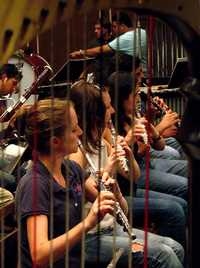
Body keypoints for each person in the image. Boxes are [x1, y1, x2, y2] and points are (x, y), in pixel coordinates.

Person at [69, 79, 185, 267]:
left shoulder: (101, 140)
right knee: (164, 254)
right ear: (94, 114)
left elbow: (134, 176)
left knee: (175, 247)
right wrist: (110, 168)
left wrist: (128, 154)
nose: (112, 111)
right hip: (90, 237)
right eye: (107, 108)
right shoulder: (77, 153)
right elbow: (97, 197)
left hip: (110, 226)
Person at [15, 98, 120, 268]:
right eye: (73, 129)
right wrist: (89, 222)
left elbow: (118, 210)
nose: (80, 132)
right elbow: (39, 256)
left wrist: (115, 192)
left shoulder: (71, 170)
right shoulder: (34, 185)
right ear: (55, 141)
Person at [107, 71, 188, 201]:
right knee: (184, 186)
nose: (139, 99)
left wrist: (154, 133)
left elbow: (160, 146)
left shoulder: (132, 114)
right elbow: (122, 161)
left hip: (145, 164)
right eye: (135, 95)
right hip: (132, 175)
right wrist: (161, 126)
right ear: (122, 98)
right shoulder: (111, 122)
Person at [70, 11, 147, 72]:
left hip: (138, 77)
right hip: (145, 73)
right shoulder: (142, 31)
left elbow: (102, 49)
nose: (113, 29)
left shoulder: (126, 38)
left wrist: (80, 52)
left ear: (122, 26)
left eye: (114, 26)